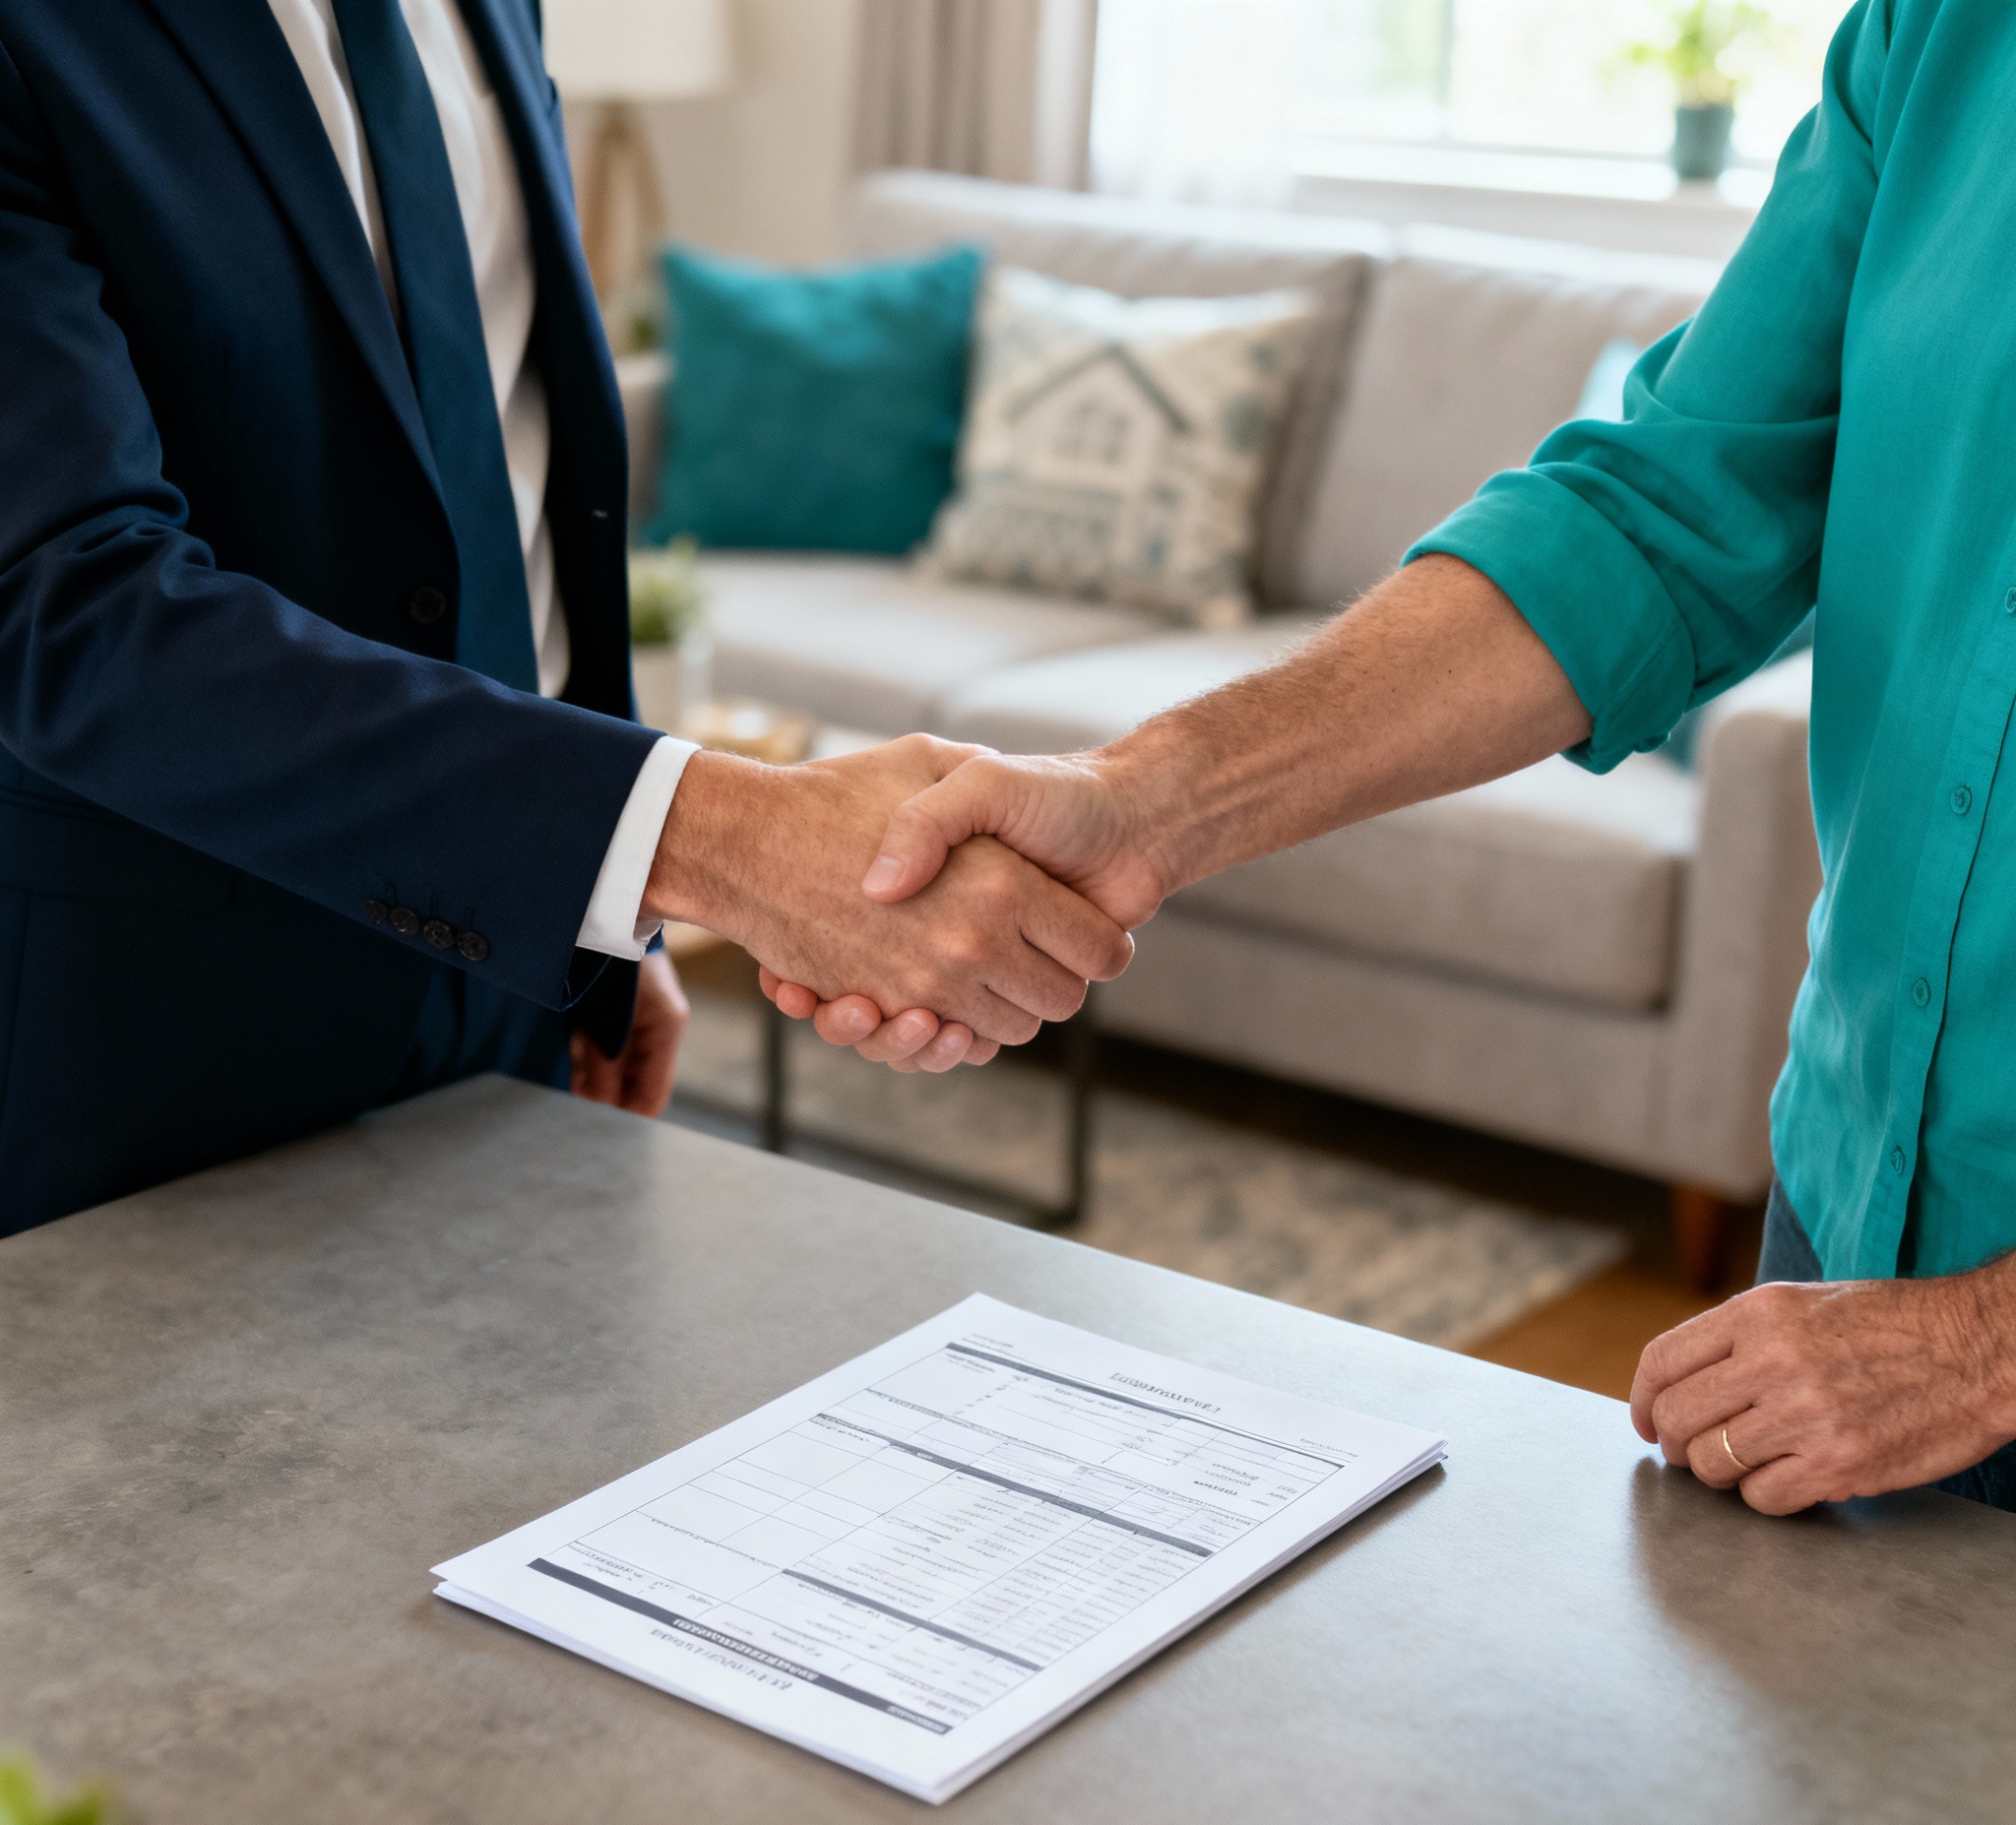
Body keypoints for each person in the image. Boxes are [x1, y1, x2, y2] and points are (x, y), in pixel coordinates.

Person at [766, 0, 2016, 1518]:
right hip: (1853, 1215)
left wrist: (1983, 1342)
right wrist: (1137, 802)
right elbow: (1661, 521)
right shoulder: (1941, 33)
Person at [0, 0, 1129, 1236]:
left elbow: (521, 469)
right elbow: (64, 604)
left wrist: (595, 931)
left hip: (515, 984)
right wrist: (700, 838)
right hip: (150, 1046)